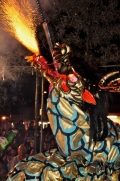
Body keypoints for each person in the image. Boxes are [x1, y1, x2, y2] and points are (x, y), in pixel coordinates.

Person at [6, 43, 120, 181]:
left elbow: (75, 88)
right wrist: (42, 65)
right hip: (68, 148)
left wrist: (68, 70)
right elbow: (56, 79)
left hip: (84, 148)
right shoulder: (60, 82)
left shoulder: (74, 86)